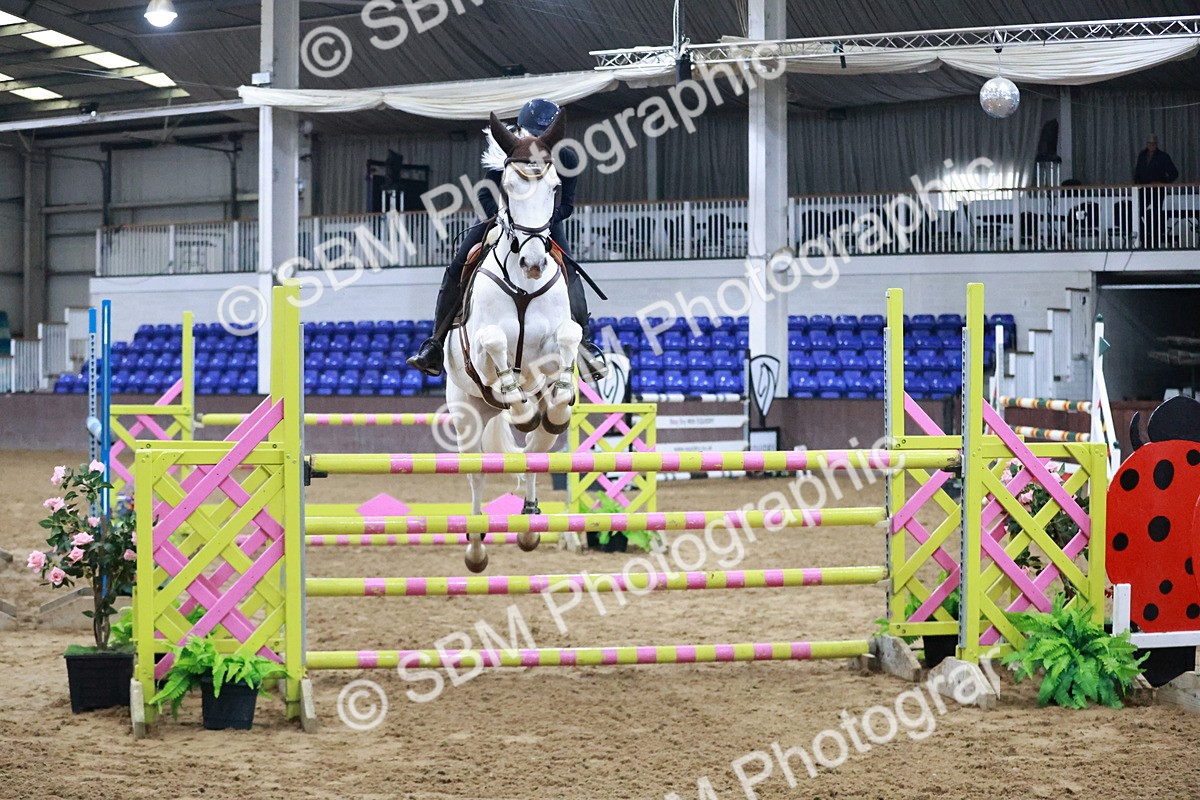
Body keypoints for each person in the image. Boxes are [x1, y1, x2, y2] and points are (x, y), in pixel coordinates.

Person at [407, 98, 606, 380]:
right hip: (499, 217)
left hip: (544, 223)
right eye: (531, 132)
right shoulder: (509, 152)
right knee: (459, 263)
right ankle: (435, 343)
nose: (534, 139)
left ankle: (585, 345)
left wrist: (541, 223)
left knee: (570, 271)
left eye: (540, 134)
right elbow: (485, 194)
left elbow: (568, 205)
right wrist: (502, 220)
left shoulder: (566, 159)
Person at [1134, 134, 1179, 248]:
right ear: (1146, 144)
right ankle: (1144, 238)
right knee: (1138, 213)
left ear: (1157, 144)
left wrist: (1162, 182)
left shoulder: (1163, 156)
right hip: (1143, 190)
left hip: (1157, 191)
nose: (1151, 145)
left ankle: (1155, 239)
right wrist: (1137, 184)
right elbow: (1137, 172)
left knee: (1155, 215)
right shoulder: (1142, 155)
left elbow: (1174, 173)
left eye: (1153, 143)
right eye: (1149, 143)